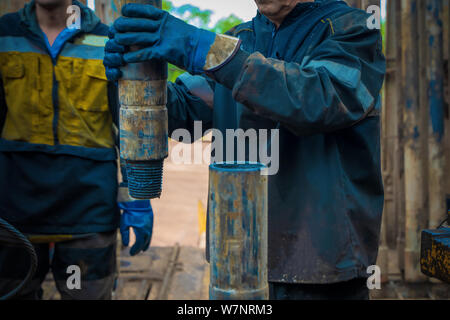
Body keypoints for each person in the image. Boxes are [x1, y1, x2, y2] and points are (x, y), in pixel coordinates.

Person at [104, 0, 386, 300]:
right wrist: (127, 77)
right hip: (236, 259)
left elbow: (317, 99)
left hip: (320, 267)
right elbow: (182, 113)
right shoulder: (240, 40)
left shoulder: (353, 31)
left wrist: (202, 48)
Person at [0, 0, 153, 300]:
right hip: (15, 209)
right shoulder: (5, 35)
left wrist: (136, 197)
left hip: (87, 210)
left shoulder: (108, 40)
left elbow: (130, 124)